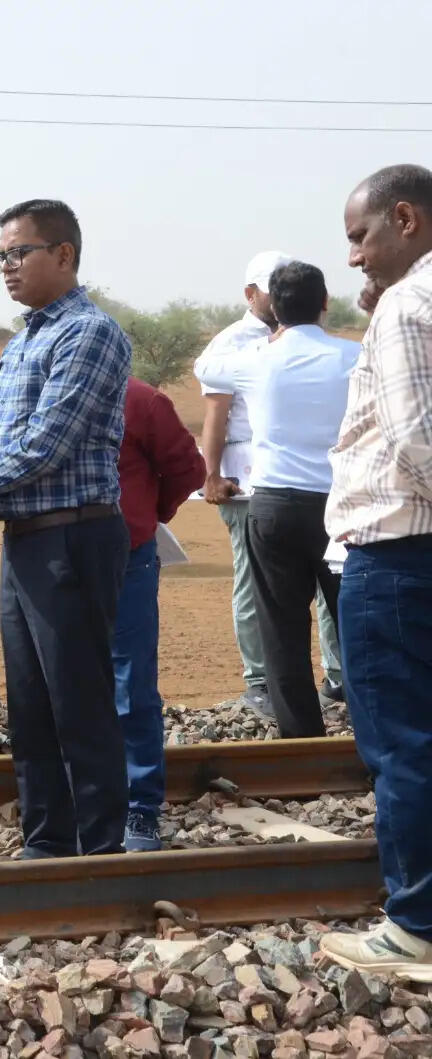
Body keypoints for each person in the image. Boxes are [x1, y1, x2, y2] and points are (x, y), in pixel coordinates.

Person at [0, 198, 132, 859]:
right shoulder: (23, 336)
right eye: (0, 256)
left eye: (19, 253)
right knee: (30, 704)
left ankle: (99, 850)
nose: (6, 267)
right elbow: (5, 441)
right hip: (28, 536)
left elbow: (47, 441)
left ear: (63, 255)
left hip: (74, 536)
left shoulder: (88, 332)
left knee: (78, 703)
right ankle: (46, 845)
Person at [317, 164, 432, 978]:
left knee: (404, 746)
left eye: (360, 236)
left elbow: (417, 440)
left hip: (397, 554)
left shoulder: (408, 305)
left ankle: (415, 926)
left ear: (405, 218)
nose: (353, 257)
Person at [197, 261, 359, 738]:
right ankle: (371, 734)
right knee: (351, 622)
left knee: (282, 627)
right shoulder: (353, 355)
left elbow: (204, 367)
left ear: (273, 307)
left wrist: (263, 339)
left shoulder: (251, 360)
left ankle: (301, 736)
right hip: (340, 507)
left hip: (274, 507)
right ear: (326, 302)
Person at [112, 378, 205, 852]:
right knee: (63, 683)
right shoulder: (36, 385)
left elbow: (188, 468)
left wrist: (151, 514)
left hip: (126, 554)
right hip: (55, 554)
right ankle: (82, 800)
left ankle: (140, 807)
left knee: (131, 683)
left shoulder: (141, 400)